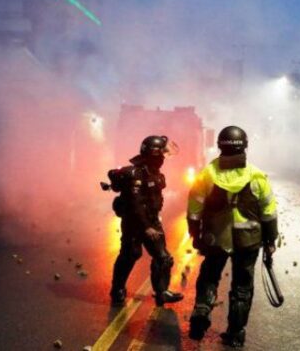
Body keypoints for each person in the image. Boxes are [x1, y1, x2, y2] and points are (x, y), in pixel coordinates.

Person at [186, 126, 278, 348]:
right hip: (249, 241)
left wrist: (195, 235)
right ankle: (235, 334)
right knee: (242, 287)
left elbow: (194, 209)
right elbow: (269, 212)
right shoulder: (257, 176)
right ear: (245, 146)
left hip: (216, 239)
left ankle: (202, 309)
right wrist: (270, 241)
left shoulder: (207, 174)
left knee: (209, 276)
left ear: (220, 146)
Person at [108, 135, 183, 306]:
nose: (164, 158)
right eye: (162, 154)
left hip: (152, 220)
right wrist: (147, 228)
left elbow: (155, 200)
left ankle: (162, 292)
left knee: (163, 258)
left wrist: (154, 220)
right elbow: (136, 205)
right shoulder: (136, 175)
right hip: (135, 223)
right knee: (130, 255)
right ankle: (117, 289)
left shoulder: (156, 174)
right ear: (153, 154)